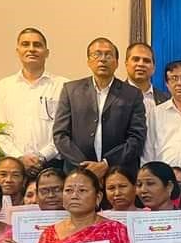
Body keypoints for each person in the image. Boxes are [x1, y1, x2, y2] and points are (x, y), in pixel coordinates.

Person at [53, 37, 147, 176]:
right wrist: (85, 166)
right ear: (88, 61)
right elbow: (60, 135)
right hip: (78, 172)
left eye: (108, 55)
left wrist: (107, 163)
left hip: (119, 173)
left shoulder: (132, 94)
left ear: (116, 62)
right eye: (96, 55)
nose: (102, 59)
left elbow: (137, 138)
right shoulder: (71, 90)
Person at [0, 27, 68, 175]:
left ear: (47, 52)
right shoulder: (5, 85)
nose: (31, 49)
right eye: (25, 44)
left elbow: (66, 130)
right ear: (18, 51)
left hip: (53, 164)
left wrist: (42, 156)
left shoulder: (63, 85)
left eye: (37, 45)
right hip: (14, 166)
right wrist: (19, 158)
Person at [142, 60, 181, 177]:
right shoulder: (155, 113)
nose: (179, 83)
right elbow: (148, 151)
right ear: (167, 84)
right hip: (163, 180)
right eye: (174, 78)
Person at [124, 42, 169, 118]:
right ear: (126, 64)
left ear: (154, 68)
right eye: (136, 59)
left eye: (146, 61)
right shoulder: (114, 97)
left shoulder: (166, 100)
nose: (141, 64)